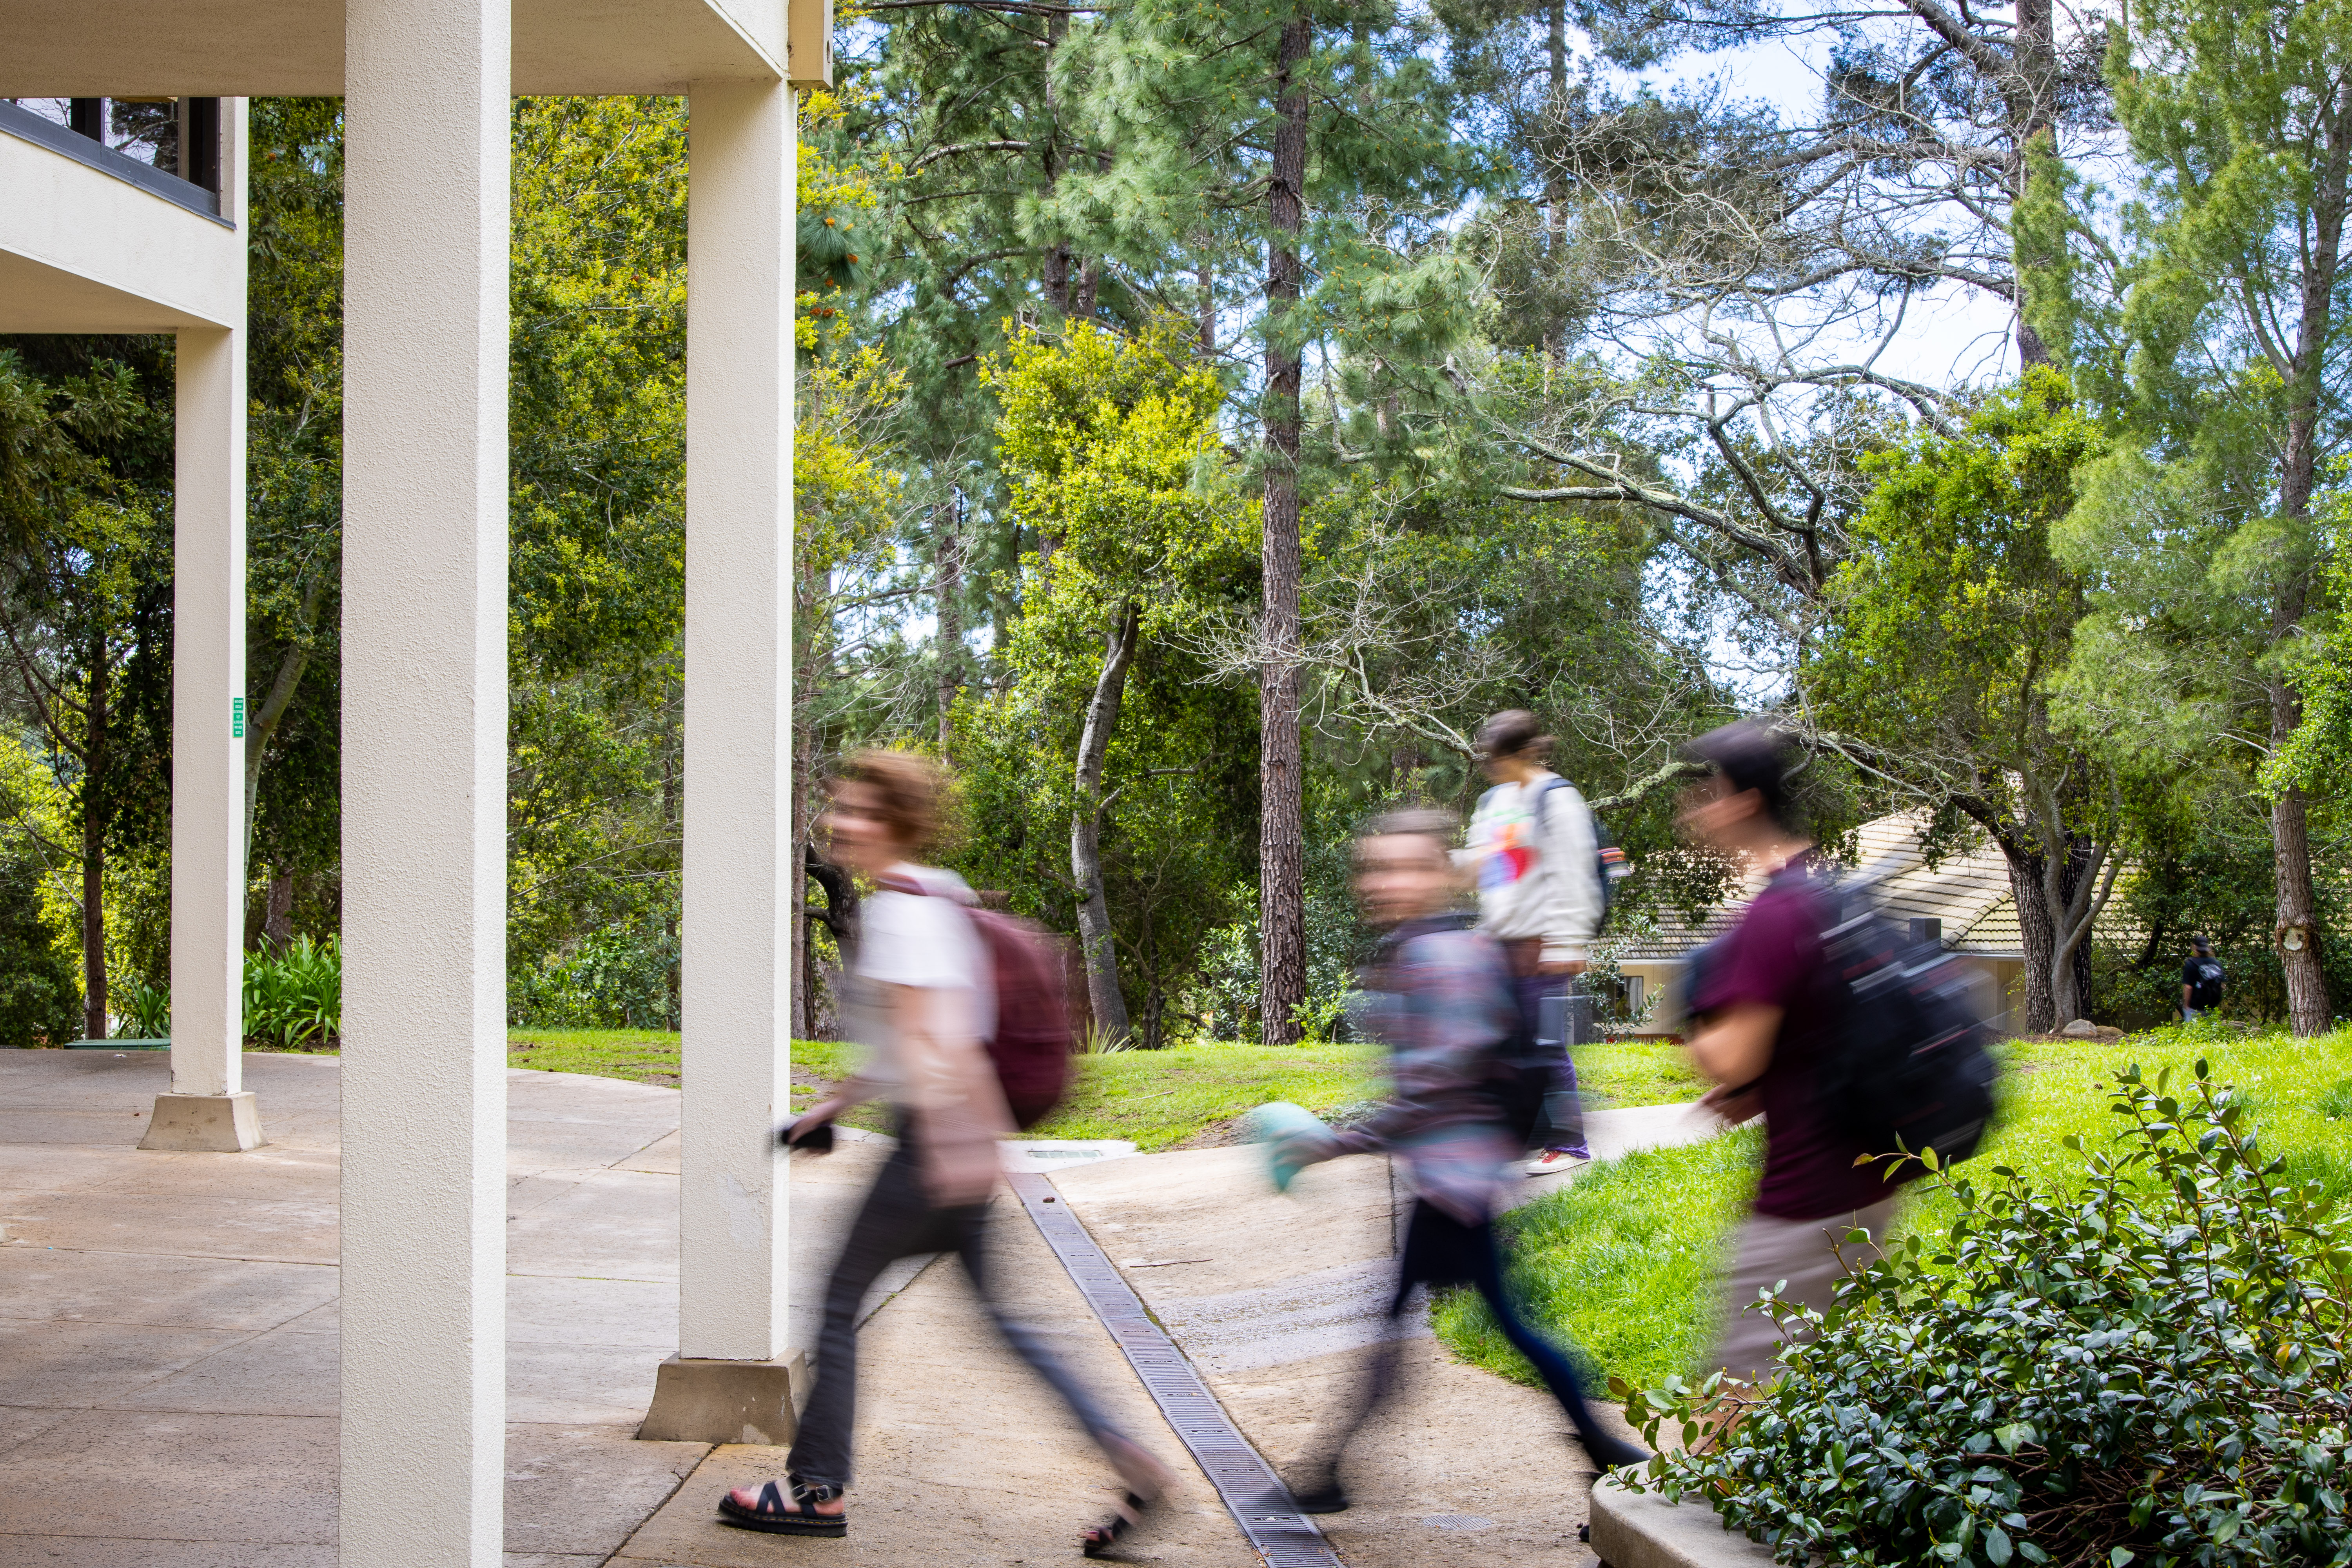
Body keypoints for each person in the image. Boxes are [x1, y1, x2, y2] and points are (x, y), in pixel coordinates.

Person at [718, 750, 1169, 1553]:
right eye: (840, 810)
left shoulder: (900, 911)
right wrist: (829, 1107)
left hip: (932, 1150)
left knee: (837, 1297)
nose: (839, 824)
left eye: (856, 811)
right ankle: (1129, 1457)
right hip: (957, 1145)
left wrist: (974, 1146)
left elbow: (945, 1046)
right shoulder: (940, 894)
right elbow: (911, 1044)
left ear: (893, 823)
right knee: (1005, 1322)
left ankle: (817, 1490)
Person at [1268, 808, 1650, 1513]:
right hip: (1456, 1179)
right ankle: (1601, 1445)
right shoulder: (1425, 951)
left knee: (1418, 1324)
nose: (1388, 881)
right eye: (1378, 866)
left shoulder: (1436, 959)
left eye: (1409, 866)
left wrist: (1336, 1142)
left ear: (1443, 876)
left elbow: (1433, 1090)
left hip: (1456, 1185)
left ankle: (1328, 1472)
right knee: (1489, 1321)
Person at [1674, 720, 1912, 1392]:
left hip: (1806, 1202)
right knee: (1837, 1401)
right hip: (1873, 1185)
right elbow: (1822, 1033)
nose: (1695, 811)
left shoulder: (1775, 915)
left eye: (1704, 794)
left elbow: (1735, 1060)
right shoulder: (1829, 891)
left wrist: (1690, 1014)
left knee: (1731, 1405)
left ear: (1742, 800)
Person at [1458, 710, 1602, 1177]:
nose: (1493, 769)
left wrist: (1566, 944)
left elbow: (1574, 875)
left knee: (1545, 1047)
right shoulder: (1493, 802)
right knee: (1500, 1043)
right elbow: (1487, 864)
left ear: (1523, 753)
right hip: (1502, 946)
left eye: (1499, 760)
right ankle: (1509, 1138)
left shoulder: (1557, 799)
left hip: (1543, 947)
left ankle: (1571, 1143)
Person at [2181, 936, 2225, 1022]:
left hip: (2195, 1007)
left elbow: (2188, 987)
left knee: (2193, 1032)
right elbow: (2222, 985)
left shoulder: (2191, 964)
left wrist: (2187, 1006)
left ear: (2194, 947)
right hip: (2212, 1007)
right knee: (2210, 1032)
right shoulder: (2215, 963)